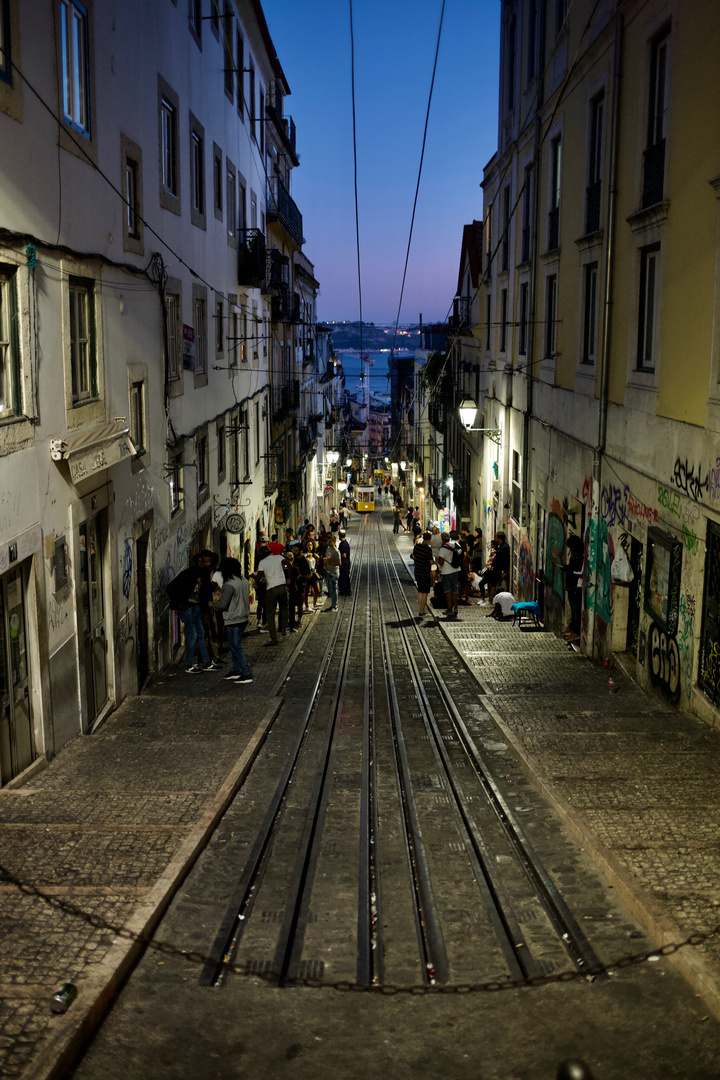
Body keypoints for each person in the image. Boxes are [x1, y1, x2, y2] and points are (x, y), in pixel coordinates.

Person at [165, 557, 219, 673]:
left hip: (197, 608)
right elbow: (170, 588)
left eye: (207, 562)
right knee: (193, 635)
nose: (205, 564)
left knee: (201, 634)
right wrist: (179, 603)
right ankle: (190, 664)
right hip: (188, 609)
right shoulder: (188, 574)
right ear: (196, 562)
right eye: (202, 561)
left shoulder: (203, 575)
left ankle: (206, 662)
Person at [210, 557, 252, 683]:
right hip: (243, 616)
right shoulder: (244, 581)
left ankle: (246, 673)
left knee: (236, 646)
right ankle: (236, 670)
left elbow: (223, 605)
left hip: (233, 618)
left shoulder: (229, 585)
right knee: (234, 646)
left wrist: (211, 605)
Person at [255, 547, 289, 645]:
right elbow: (288, 565)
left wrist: (253, 576)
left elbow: (259, 577)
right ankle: (283, 630)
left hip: (271, 589)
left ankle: (274, 638)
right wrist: (288, 577)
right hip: (282, 587)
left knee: (270, 614)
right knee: (284, 609)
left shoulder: (262, 562)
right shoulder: (278, 557)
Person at [436, 531, 462, 620]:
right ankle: (456, 608)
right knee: (455, 589)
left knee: (448, 590)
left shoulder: (443, 548)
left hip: (446, 571)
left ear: (442, 539)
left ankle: (449, 608)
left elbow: (441, 562)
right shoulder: (455, 545)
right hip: (455, 570)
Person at [564, 534, 584, 642]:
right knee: (573, 610)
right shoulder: (575, 555)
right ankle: (572, 629)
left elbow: (580, 572)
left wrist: (569, 570)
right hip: (571, 586)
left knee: (576, 611)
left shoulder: (580, 556)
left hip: (576, 586)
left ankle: (576, 632)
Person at [411, 530, 434, 618]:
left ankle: (421, 609)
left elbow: (414, 556)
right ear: (429, 539)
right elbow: (431, 561)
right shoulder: (428, 549)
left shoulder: (417, 547)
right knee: (424, 592)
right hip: (425, 572)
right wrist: (434, 562)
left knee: (420, 591)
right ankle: (422, 611)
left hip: (417, 571)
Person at [323, 533, 341, 611]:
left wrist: (330, 562)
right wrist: (324, 564)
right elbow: (326, 557)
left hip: (334, 572)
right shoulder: (328, 549)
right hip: (328, 571)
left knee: (334, 589)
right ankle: (333, 604)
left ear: (334, 542)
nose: (329, 542)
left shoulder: (336, 551)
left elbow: (339, 563)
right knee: (330, 589)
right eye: (328, 541)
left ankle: (334, 605)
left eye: (330, 541)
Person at [493, 531, 510, 597]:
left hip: (500, 570)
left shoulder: (505, 547)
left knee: (500, 586)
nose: (495, 539)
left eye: (496, 537)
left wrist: (503, 571)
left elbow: (504, 560)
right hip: (497, 569)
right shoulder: (500, 546)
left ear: (499, 538)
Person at [338, 530, 351, 596]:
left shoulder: (342, 544)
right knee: (346, 576)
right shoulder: (346, 543)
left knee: (343, 577)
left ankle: (343, 590)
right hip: (347, 562)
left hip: (344, 563)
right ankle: (347, 590)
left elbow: (344, 555)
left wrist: (338, 555)